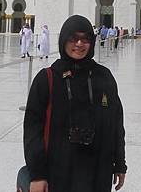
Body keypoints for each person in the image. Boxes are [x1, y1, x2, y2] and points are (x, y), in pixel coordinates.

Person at [19, 15, 127, 192]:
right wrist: (38, 175)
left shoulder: (103, 76)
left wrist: (120, 164)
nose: (79, 44)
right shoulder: (47, 79)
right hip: (60, 171)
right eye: (73, 38)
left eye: (85, 39)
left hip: (98, 172)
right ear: (63, 40)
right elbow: (32, 130)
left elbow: (116, 123)